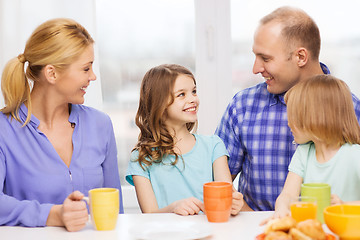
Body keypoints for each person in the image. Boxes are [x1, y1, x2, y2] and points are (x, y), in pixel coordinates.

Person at [215, 6, 360, 211]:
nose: (255, 69)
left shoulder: (350, 109)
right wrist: (248, 218)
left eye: (265, 58)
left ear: (301, 57)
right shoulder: (242, 106)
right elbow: (216, 185)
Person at [0, 18, 123, 232]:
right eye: (86, 68)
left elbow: (115, 211)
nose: (93, 77)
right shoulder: (4, 130)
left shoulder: (100, 125)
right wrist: (53, 214)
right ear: (52, 73)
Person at [126, 64, 244, 215]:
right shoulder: (141, 158)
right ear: (159, 103)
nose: (193, 99)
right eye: (182, 94)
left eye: (194, 91)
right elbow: (150, 215)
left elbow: (227, 196)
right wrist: (173, 208)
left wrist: (234, 203)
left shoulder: (214, 146)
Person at [274, 74, 360, 218]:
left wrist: (344, 206)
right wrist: (282, 209)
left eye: (294, 116)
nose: (289, 123)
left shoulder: (354, 154)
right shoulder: (303, 153)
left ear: (314, 118)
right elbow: (288, 194)